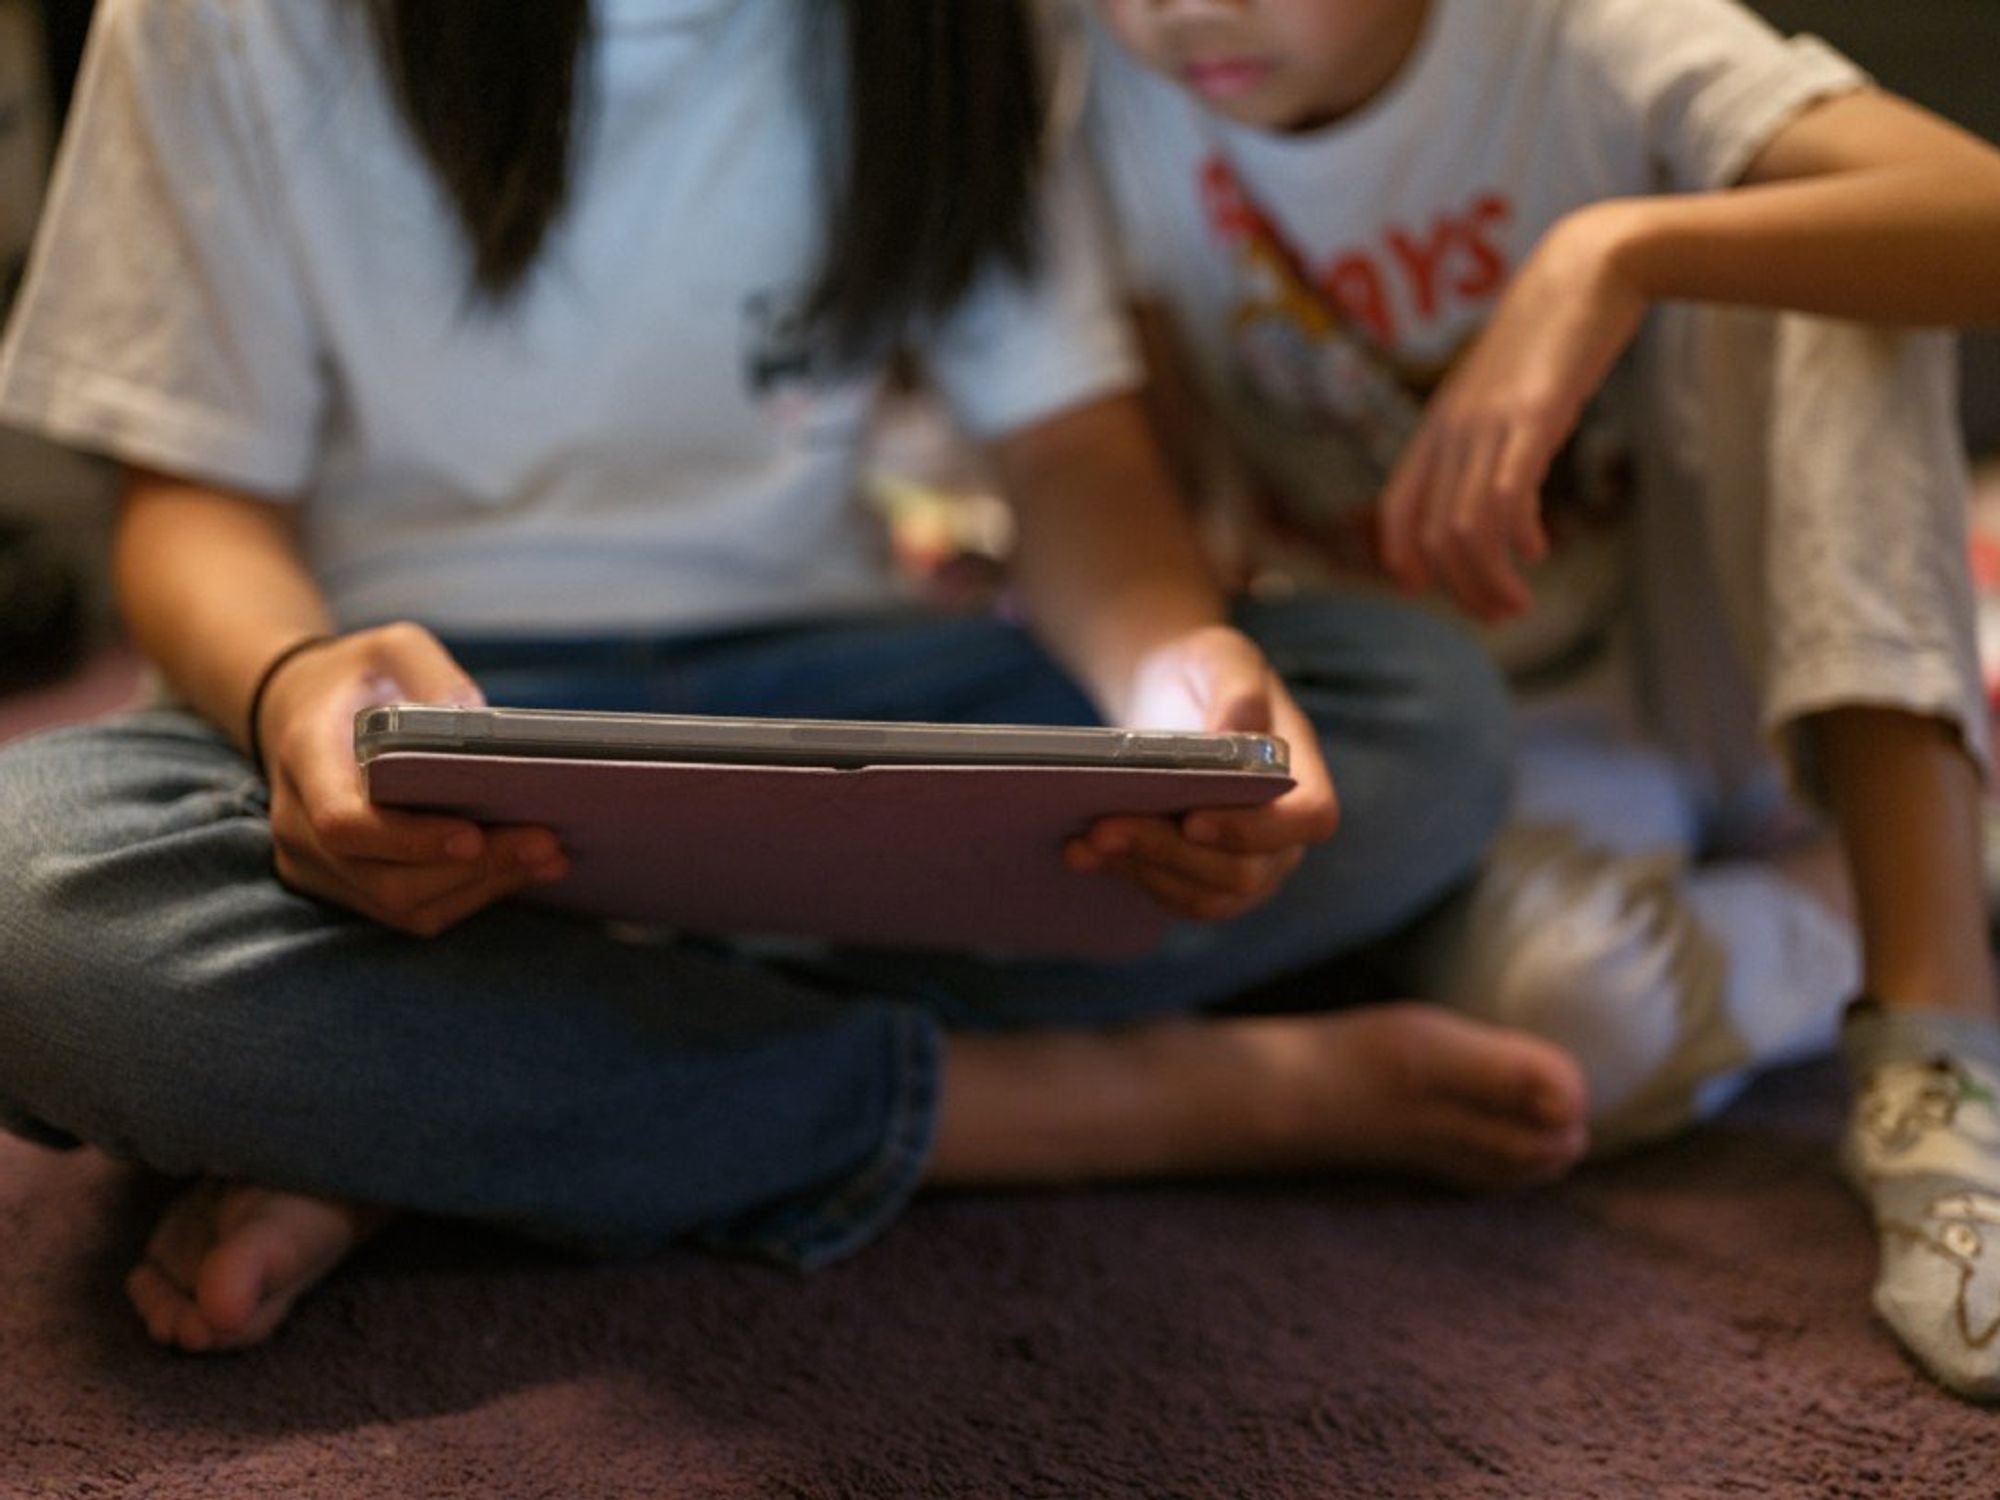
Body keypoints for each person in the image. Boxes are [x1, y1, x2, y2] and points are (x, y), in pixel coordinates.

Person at [0, 0, 1596, 1356]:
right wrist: (292, 693)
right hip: (419, 725)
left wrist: (1181, 679)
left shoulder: (958, 27)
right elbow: (194, 504)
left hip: (827, 687)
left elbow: (1063, 446)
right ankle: (1082, 1104)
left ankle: (448, 1097)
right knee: (30, 899)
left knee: (1416, 713)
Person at [1081, 0, 2000, 1398]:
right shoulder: (1105, 88)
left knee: (1834, 247)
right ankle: (1886, 876)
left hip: (1726, 645)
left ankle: (1940, 1037)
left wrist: (1612, 251)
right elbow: (1135, 467)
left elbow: (1974, 213)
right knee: (1562, 1043)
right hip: (1481, 718)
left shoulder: (1579, 32)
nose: (1184, 8)